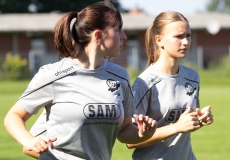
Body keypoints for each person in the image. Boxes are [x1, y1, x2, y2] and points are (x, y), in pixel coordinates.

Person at [4, 2, 157, 160]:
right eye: (118, 30)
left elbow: (124, 130)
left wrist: (142, 133)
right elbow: (13, 116)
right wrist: (29, 141)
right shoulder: (53, 74)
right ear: (98, 36)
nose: (124, 36)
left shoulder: (120, 76)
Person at [127, 11, 214, 160]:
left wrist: (200, 119)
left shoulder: (193, 77)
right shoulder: (145, 83)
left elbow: (184, 123)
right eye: (178, 36)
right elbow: (130, 141)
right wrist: (176, 127)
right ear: (159, 40)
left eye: (188, 35)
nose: (186, 42)